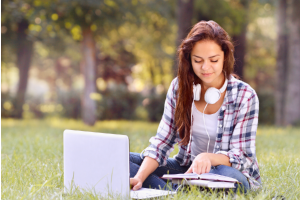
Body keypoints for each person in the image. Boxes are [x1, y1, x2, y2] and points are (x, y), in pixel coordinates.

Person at [130, 20, 261, 194]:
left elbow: (243, 157)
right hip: (187, 169)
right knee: (122, 159)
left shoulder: (245, 95)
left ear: (225, 57)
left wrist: (208, 157)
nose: (205, 67)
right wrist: (139, 176)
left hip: (228, 172)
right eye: (198, 60)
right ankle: (178, 190)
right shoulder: (179, 87)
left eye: (214, 60)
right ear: (189, 59)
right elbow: (162, 143)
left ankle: (170, 190)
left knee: (230, 178)